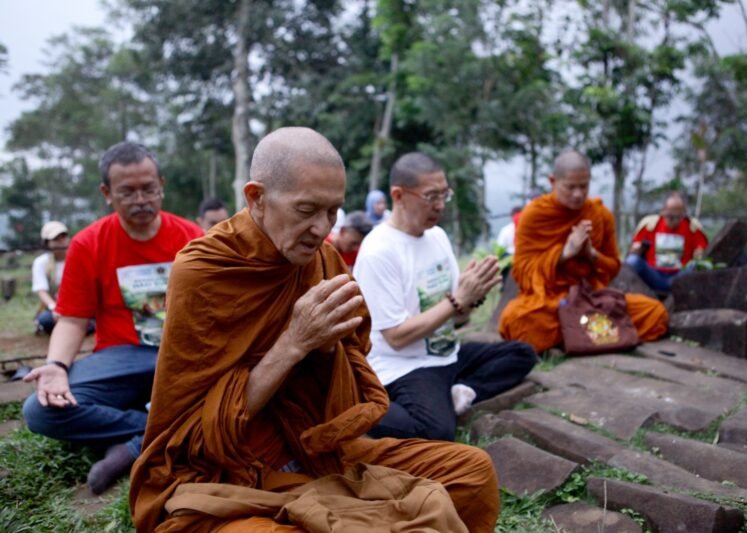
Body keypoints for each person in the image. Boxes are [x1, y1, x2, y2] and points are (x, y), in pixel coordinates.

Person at [129, 128, 500, 532]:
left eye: (333, 212)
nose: (323, 228)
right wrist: (294, 342)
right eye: (307, 210)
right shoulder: (205, 271)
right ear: (257, 198)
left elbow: (349, 377)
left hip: (316, 450)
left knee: (472, 472)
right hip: (227, 468)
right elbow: (195, 433)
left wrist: (327, 349)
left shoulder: (321, 259)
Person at [22, 142, 203, 495]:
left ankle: (132, 447)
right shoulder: (89, 243)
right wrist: (56, 366)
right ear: (107, 193)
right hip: (121, 357)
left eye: (149, 189)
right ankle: (155, 429)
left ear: (162, 185)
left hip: (184, 356)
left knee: (241, 387)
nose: (141, 200)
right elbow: (73, 319)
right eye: (128, 192)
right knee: (39, 410)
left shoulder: (192, 238)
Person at [353, 152, 536, 442]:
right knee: (437, 431)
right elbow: (396, 337)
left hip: (445, 353)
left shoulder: (437, 236)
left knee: (522, 354)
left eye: (444, 195)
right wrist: (456, 300)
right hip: (405, 365)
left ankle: (462, 391)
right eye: (430, 196)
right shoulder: (379, 250)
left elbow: (458, 317)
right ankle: (362, 405)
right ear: (398, 195)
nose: (440, 205)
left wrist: (472, 296)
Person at [499, 149, 669, 353]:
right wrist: (564, 254)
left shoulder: (600, 215)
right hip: (552, 302)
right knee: (515, 320)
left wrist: (591, 254)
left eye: (584, 186)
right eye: (570, 187)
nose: (578, 194)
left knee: (655, 313)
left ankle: (574, 335)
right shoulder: (534, 215)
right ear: (553, 182)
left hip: (591, 299)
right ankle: (597, 334)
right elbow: (522, 272)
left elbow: (614, 267)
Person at [625, 192, 708, 293]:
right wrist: (638, 249)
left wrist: (699, 253)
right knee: (633, 261)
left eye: (678, 216)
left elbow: (702, 254)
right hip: (654, 275)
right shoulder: (650, 225)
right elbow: (632, 252)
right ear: (663, 211)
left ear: (684, 213)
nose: (673, 220)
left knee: (697, 265)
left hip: (680, 277)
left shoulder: (693, 228)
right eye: (670, 216)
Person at [31, 221, 70, 335]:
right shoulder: (41, 263)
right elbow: (41, 290)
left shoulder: (78, 257)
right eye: (56, 239)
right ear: (47, 243)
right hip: (56, 307)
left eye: (63, 237)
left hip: (80, 306)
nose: (60, 241)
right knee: (45, 320)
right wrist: (54, 308)